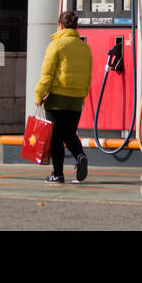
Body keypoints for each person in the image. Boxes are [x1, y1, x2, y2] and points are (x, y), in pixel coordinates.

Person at [34, 10, 93, 184]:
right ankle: (80, 155)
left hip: (57, 98)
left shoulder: (56, 45)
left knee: (56, 138)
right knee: (69, 133)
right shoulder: (85, 47)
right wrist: (82, 95)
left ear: (60, 25)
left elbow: (47, 74)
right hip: (76, 100)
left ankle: (57, 174)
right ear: (76, 26)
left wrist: (39, 94)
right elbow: (88, 75)